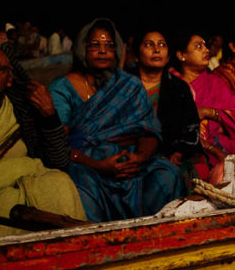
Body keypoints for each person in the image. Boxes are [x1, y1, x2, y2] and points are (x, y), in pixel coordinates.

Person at [48, 18, 185, 222]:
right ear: (81, 48)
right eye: (95, 45)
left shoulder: (129, 85)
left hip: (131, 164)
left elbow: (150, 131)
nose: (103, 51)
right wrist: (100, 165)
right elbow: (58, 143)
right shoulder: (61, 88)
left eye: (109, 46)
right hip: (85, 163)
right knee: (79, 185)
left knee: (167, 174)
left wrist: (139, 157)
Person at [0, 42, 86, 239]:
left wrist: (49, 115)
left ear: (9, 79)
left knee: (60, 182)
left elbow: (59, 160)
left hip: (23, 183)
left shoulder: (23, 110)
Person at [172, 31, 235, 177]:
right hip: (187, 148)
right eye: (198, 46)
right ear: (181, 55)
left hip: (221, 144)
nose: (206, 50)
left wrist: (208, 112)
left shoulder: (215, 83)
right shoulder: (172, 85)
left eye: (205, 46)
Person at [131, 31, 200, 166]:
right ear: (137, 55)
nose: (156, 50)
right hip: (128, 153)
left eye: (162, 45)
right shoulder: (123, 85)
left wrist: (178, 152)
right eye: (149, 45)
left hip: (168, 157)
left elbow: (191, 128)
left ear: (168, 57)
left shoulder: (179, 88)